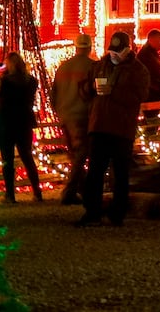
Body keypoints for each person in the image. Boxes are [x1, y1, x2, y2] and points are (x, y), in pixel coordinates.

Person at [77, 30, 150, 227]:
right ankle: (92, 211)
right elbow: (83, 89)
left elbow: (140, 96)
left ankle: (117, 213)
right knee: (95, 171)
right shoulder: (100, 66)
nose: (114, 55)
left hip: (122, 128)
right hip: (99, 125)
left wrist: (113, 92)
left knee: (120, 172)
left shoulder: (138, 71)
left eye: (118, 51)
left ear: (128, 50)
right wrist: (91, 88)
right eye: (112, 51)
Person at [51, 33, 96, 204]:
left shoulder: (63, 67)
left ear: (76, 47)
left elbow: (53, 93)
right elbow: (99, 92)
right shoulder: (93, 67)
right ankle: (69, 191)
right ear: (89, 48)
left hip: (65, 115)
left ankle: (83, 190)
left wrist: (60, 111)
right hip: (83, 115)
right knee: (82, 152)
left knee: (74, 154)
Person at [0, 52, 43, 203]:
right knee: (27, 156)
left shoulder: (4, 82)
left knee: (7, 159)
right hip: (24, 121)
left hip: (7, 121)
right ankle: (37, 192)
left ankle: (10, 194)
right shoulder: (31, 81)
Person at [139, 28, 160, 102]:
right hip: (152, 96)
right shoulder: (146, 56)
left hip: (154, 94)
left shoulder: (150, 54)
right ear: (152, 40)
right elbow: (145, 77)